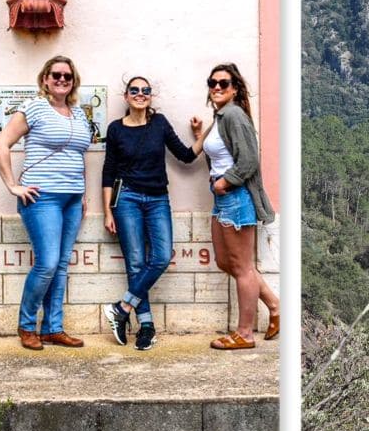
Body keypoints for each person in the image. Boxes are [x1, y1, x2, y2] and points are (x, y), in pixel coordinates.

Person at [0, 55, 93, 350]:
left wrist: (82, 193)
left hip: (72, 199)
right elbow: (2, 144)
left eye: (67, 76)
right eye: (56, 75)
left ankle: (52, 328)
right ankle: (26, 326)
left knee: (61, 265)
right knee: (47, 263)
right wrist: (13, 185)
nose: (62, 80)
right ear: (45, 79)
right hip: (42, 198)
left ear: (73, 81)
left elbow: (78, 156)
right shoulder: (35, 107)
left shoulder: (78, 114)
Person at [101, 75, 198, 350]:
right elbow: (108, 172)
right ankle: (146, 326)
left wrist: (202, 136)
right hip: (127, 199)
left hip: (157, 199)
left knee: (161, 256)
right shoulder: (116, 129)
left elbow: (186, 156)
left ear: (151, 97)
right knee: (134, 263)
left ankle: (121, 308)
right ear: (126, 96)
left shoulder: (159, 123)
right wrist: (108, 210)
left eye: (145, 91)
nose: (140, 94)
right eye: (135, 90)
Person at [191, 63, 279, 350]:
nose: (216, 87)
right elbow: (220, 153)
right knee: (225, 262)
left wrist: (225, 183)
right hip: (223, 197)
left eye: (223, 83)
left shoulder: (234, 115)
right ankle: (275, 305)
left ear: (235, 88)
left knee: (242, 268)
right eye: (212, 82)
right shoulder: (220, 116)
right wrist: (199, 136)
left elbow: (249, 160)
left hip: (236, 197)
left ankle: (245, 334)